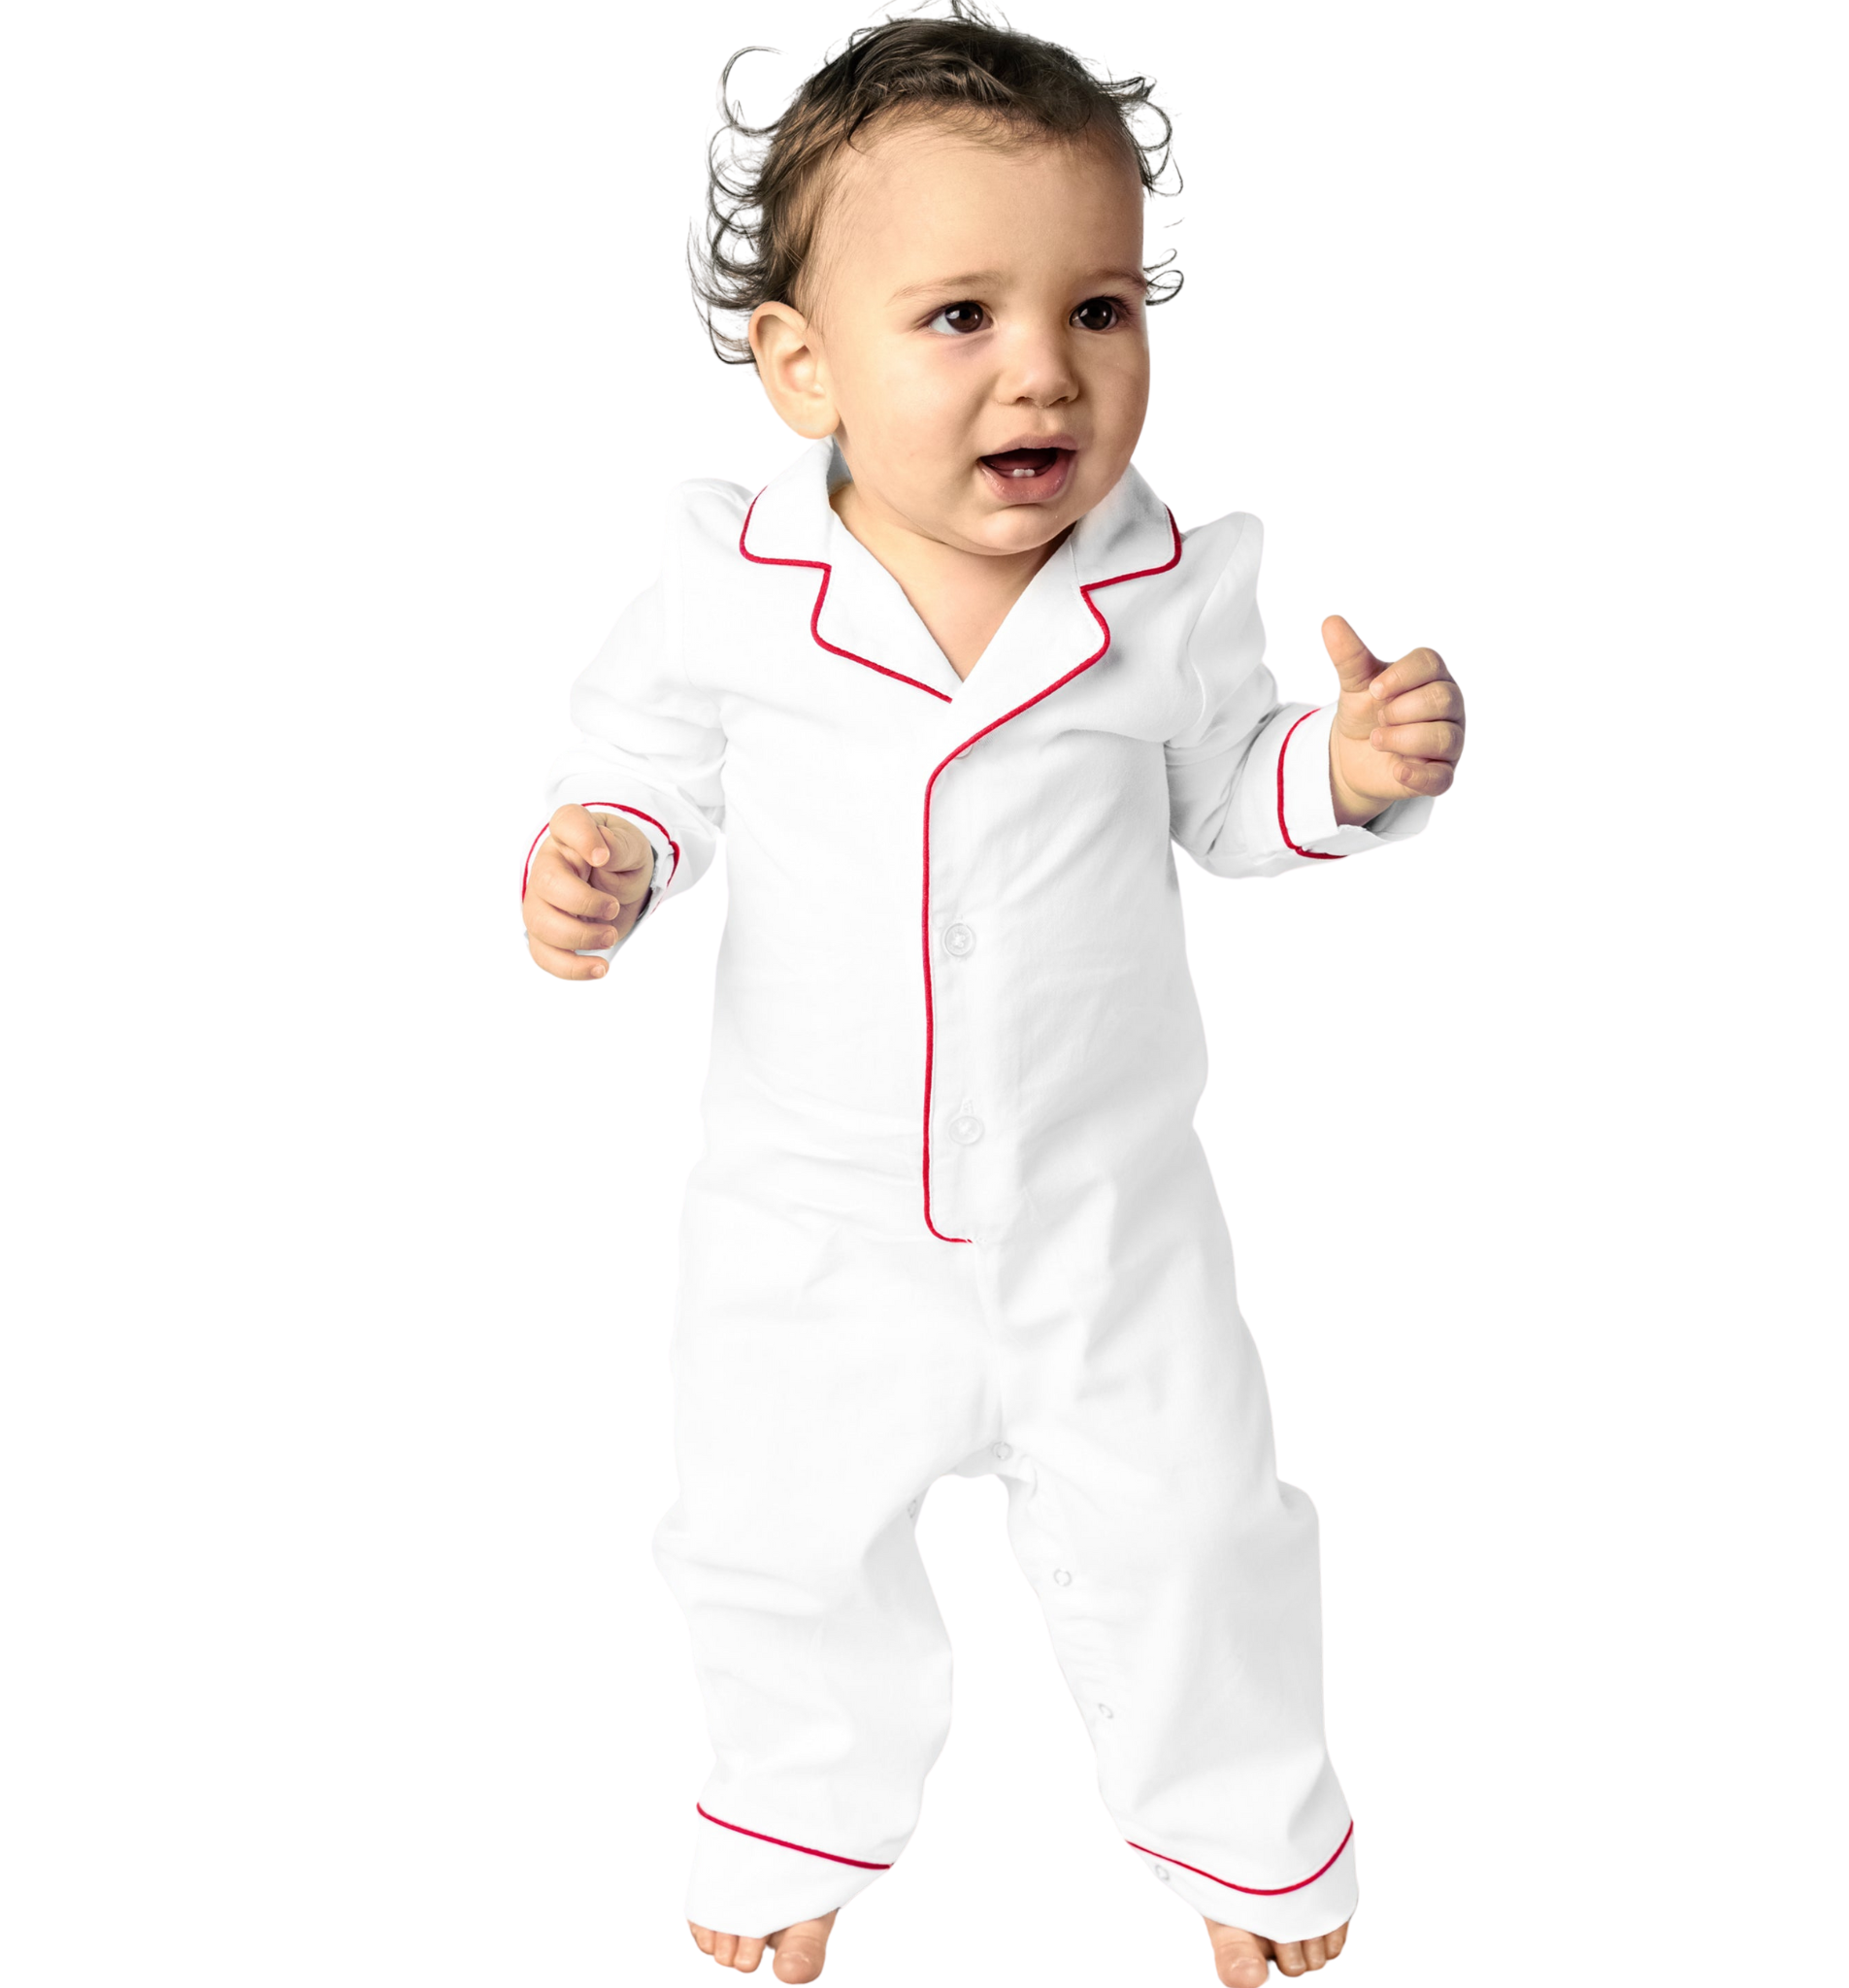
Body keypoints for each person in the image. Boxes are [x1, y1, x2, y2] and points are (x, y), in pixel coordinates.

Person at [520, 9, 1467, 1983]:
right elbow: (647, 775)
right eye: (960, 316)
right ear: (802, 364)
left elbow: (1232, 793)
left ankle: (1247, 1839)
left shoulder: (1163, 590)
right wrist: (604, 854)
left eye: (1099, 308)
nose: (1045, 367)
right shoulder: (733, 591)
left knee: (1198, 1530)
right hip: (812, 1221)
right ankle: (794, 1813)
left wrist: (1348, 767)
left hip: (1105, 1215)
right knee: (772, 1536)